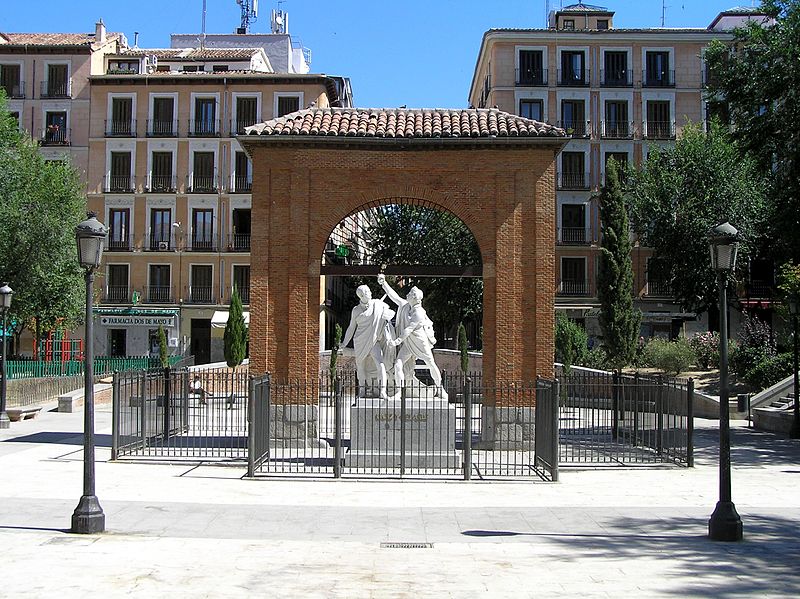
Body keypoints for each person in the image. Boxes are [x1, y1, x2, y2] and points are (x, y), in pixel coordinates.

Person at [377, 274, 448, 400]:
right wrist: (384, 284)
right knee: (398, 364)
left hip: (420, 342)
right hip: (408, 343)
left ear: (415, 298)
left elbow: (408, 329)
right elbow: (394, 296)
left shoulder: (419, 312)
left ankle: (440, 388)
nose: (407, 294)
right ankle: (399, 392)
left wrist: (396, 341)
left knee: (430, 364)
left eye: (410, 294)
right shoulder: (405, 306)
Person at [341, 284, 395, 399]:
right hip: (360, 341)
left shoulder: (378, 304)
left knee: (380, 364)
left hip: (373, 341)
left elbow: (390, 313)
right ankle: (362, 390)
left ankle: (382, 391)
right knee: (360, 366)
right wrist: (344, 343)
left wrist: (385, 314)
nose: (370, 293)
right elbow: (351, 328)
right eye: (367, 292)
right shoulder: (356, 310)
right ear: (361, 296)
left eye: (370, 291)